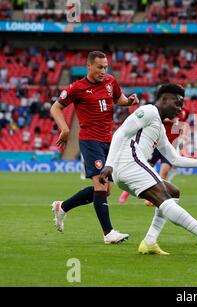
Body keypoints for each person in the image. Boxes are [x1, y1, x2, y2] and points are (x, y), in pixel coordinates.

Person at [99, 83, 197, 255]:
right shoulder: (149, 110)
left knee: (173, 192)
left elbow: (174, 159)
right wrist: (109, 164)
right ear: (164, 99)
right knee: (165, 197)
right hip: (129, 162)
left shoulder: (158, 126)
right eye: (177, 103)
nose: (180, 109)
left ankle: (150, 241)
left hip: (129, 167)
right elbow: (120, 133)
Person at [50, 51, 139, 244]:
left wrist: (129, 101)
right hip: (91, 141)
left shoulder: (110, 82)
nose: (103, 71)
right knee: (100, 183)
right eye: (99, 67)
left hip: (110, 141)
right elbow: (55, 107)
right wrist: (64, 129)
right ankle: (108, 233)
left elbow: (119, 99)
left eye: (105, 67)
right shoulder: (77, 88)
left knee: (104, 191)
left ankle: (62, 207)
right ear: (89, 66)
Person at [117, 107, 189, 205]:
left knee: (164, 172)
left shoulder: (186, 112)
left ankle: (153, 197)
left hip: (169, 147)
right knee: (144, 168)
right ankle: (126, 193)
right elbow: (161, 119)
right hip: (156, 144)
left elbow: (183, 124)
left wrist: (182, 135)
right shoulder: (168, 110)